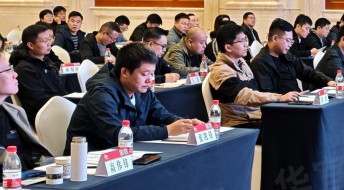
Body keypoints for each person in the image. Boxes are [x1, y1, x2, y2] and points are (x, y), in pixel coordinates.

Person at [66, 43, 202, 152]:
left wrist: (186, 123)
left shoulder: (142, 90)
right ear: (124, 72)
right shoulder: (102, 94)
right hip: (90, 157)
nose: (149, 80)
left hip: (123, 152)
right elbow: (118, 134)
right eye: (144, 74)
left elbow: (162, 116)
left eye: (152, 74)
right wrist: (168, 130)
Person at [208, 23, 299, 131]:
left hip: (256, 116)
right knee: (289, 127)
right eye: (242, 41)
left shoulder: (241, 62)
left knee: (297, 118)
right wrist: (279, 98)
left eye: (246, 39)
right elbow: (245, 95)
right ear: (228, 47)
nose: (246, 44)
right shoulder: (220, 71)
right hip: (240, 123)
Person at [251, 18, 334, 93]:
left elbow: (306, 71)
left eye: (291, 41)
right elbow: (266, 95)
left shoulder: (286, 55)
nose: (290, 45)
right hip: (282, 103)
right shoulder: (260, 62)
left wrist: (328, 81)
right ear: (275, 38)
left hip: (297, 98)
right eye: (288, 40)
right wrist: (284, 98)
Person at [0, 56, 52, 169]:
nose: (15, 74)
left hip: (29, 175)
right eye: (8, 70)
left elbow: (34, 155)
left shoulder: (15, 112)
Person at [13, 24, 67, 128]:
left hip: (58, 107)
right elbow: (38, 102)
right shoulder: (25, 69)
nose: (49, 43)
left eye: (50, 39)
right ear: (30, 45)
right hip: (44, 117)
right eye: (45, 41)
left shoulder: (47, 61)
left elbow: (59, 90)